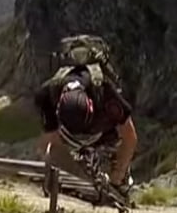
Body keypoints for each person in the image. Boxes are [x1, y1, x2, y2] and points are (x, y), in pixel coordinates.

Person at [32, 34, 138, 196]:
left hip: (101, 133)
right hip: (68, 137)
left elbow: (129, 136)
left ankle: (120, 180)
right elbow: (48, 140)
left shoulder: (105, 92)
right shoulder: (47, 94)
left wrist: (117, 176)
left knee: (116, 148)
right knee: (55, 155)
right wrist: (55, 169)